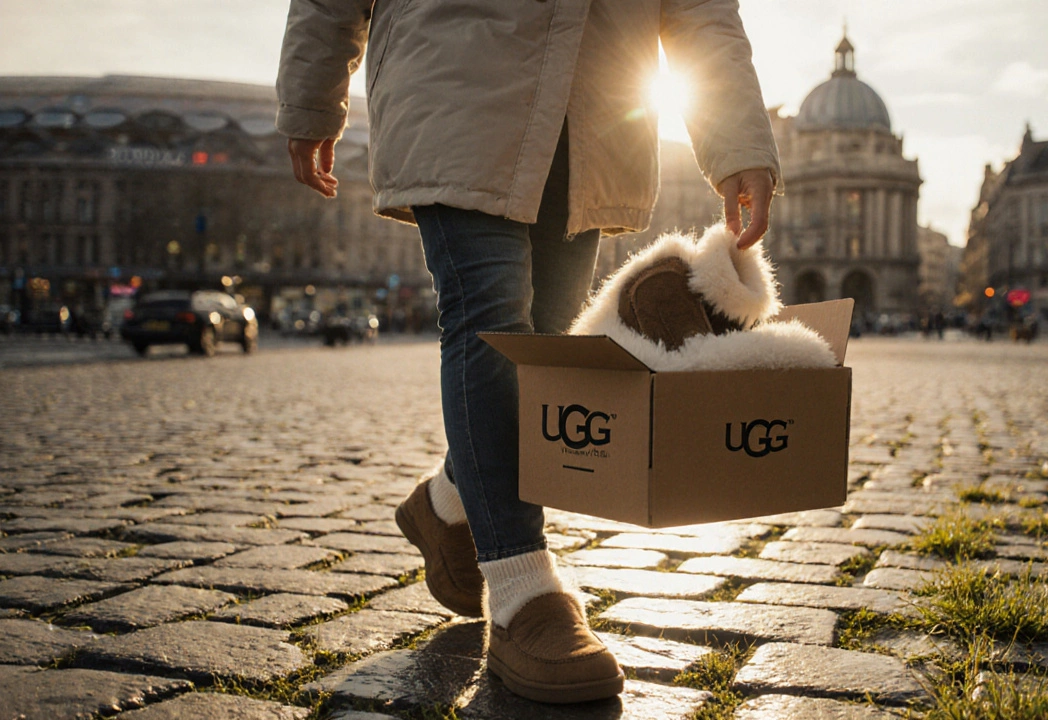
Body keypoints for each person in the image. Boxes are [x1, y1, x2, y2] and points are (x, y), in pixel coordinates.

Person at [276, 0, 781, 704]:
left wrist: (739, 142)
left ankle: (448, 498)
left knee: (546, 353)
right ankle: (521, 591)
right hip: (456, 73)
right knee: (488, 317)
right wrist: (311, 97)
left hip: (597, 108)